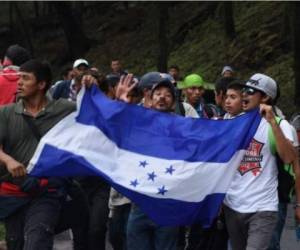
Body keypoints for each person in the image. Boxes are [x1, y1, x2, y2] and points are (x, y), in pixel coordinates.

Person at [223, 73, 298, 250]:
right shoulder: (232, 121)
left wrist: (272, 122)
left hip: (263, 207)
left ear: (265, 97)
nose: (244, 95)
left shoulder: (281, 125)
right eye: (244, 91)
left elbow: (289, 158)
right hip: (232, 205)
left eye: (250, 91)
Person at [115, 74, 179, 250]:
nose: (162, 97)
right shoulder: (138, 123)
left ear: (173, 102)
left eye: (167, 94)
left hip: (168, 206)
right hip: (140, 205)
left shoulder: (182, 127)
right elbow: (115, 129)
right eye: (157, 93)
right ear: (149, 100)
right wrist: (120, 102)